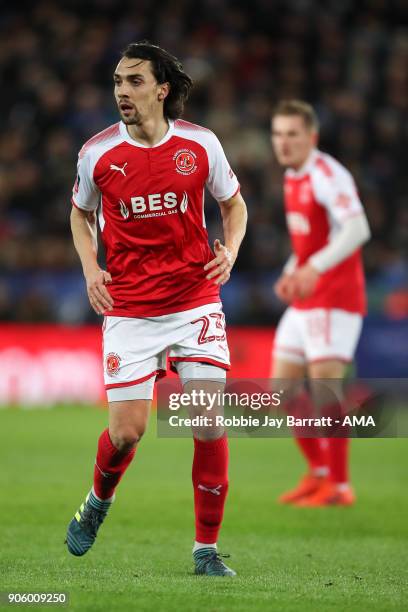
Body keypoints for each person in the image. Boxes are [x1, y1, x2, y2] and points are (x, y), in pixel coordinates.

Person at [66, 41, 247, 576]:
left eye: (135, 81)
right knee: (127, 432)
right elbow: (80, 216)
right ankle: (98, 500)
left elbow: (233, 205)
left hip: (195, 298)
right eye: (118, 81)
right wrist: (90, 268)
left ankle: (205, 551)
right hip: (129, 306)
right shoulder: (97, 154)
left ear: (161, 90)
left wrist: (230, 252)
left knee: (209, 420)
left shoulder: (201, 144)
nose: (123, 91)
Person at [270, 100, 370, 506]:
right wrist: (292, 270)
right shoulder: (293, 177)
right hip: (308, 296)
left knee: (326, 393)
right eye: (277, 134)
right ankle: (319, 472)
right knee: (282, 391)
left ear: (311, 137)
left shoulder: (328, 174)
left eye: (292, 134)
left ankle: (340, 487)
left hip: (335, 297)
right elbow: (312, 239)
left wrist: (314, 269)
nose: (284, 142)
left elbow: (357, 228)